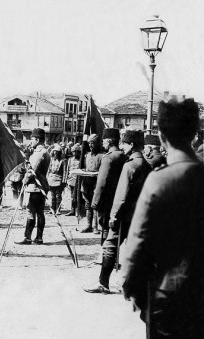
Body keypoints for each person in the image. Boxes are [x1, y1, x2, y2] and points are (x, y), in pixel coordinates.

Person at [122, 98, 204, 338]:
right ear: (194, 133)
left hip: (166, 300)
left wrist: (133, 290)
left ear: (160, 136)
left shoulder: (159, 180)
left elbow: (138, 244)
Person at [83, 130, 151, 294]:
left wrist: (114, 215)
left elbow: (121, 196)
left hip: (124, 215)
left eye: (124, 144)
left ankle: (103, 283)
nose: (122, 147)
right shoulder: (147, 165)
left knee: (110, 246)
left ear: (132, 145)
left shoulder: (130, 165)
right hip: (139, 215)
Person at [15, 128, 51, 245]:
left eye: (33, 139)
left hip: (35, 187)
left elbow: (32, 171)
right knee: (40, 212)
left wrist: (24, 180)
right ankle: (39, 237)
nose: (31, 141)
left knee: (31, 211)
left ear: (38, 139)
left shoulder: (39, 153)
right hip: (41, 186)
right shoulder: (45, 152)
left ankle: (27, 237)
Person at [91, 128, 127, 243]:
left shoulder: (108, 158)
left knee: (106, 228)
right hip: (120, 198)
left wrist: (95, 201)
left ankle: (105, 255)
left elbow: (102, 183)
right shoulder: (124, 156)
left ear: (109, 141)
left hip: (107, 200)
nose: (102, 143)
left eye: (104, 141)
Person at [77, 134, 103, 233]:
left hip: (96, 184)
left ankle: (95, 226)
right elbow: (84, 168)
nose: (91, 145)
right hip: (86, 183)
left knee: (95, 205)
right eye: (89, 143)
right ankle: (88, 225)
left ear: (97, 143)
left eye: (93, 143)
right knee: (87, 205)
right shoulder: (86, 155)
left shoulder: (102, 156)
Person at [47, 144, 66, 215]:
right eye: (55, 152)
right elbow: (49, 169)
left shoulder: (63, 161)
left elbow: (65, 171)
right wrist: (47, 177)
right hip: (51, 178)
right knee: (52, 195)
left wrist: (64, 180)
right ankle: (52, 208)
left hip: (59, 178)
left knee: (58, 195)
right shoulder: (51, 160)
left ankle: (58, 209)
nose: (56, 153)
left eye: (57, 152)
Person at [64, 143, 81, 216]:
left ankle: (77, 211)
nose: (74, 153)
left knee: (77, 196)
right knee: (72, 196)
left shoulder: (81, 159)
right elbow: (68, 170)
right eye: (73, 152)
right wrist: (67, 179)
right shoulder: (70, 159)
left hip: (78, 180)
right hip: (71, 180)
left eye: (75, 152)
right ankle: (72, 210)